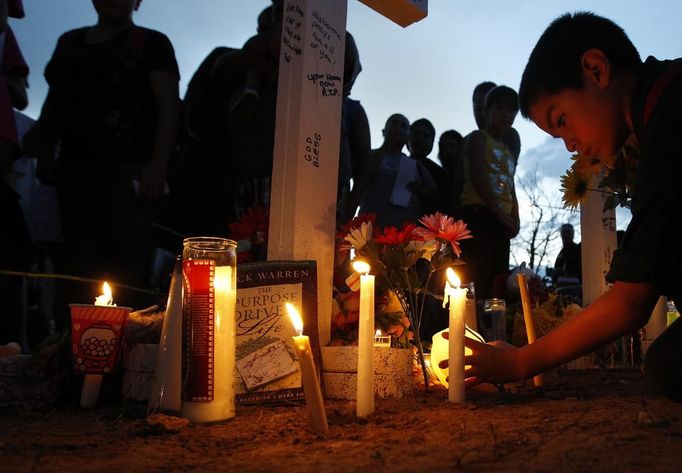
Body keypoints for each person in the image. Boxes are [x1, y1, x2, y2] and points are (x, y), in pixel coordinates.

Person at [457, 12, 682, 401]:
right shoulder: (664, 102)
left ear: (596, 69)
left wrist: (520, 362)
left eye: (562, 119)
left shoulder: (670, 122)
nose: (569, 145)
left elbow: (631, 302)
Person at [36, 0, 180, 319]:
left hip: (130, 175)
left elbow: (169, 106)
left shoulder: (152, 43)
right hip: (74, 172)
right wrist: (44, 153)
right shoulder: (69, 43)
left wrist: (157, 166)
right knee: (77, 270)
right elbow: (54, 103)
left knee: (127, 273)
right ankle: (71, 353)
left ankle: (128, 354)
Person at [458, 85, 520, 303]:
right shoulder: (478, 138)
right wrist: (497, 211)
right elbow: (478, 174)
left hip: (500, 220)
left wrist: (515, 216)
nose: (506, 114)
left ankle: (495, 328)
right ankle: (471, 326)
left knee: (498, 277)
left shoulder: (508, 150)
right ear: (486, 110)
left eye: (511, 110)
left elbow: (510, 185)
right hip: (480, 215)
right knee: (478, 276)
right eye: (500, 108)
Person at [345, 114, 437, 228]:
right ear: (384, 131)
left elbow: (434, 195)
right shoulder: (368, 156)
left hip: (403, 235)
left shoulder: (415, 165)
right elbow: (354, 192)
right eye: (394, 123)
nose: (398, 128)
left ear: (408, 137)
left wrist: (420, 191)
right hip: (371, 230)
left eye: (403, 126)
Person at [408, 118, 446, 215]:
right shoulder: (393, 165)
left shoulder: (440, 173)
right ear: (408, 137)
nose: (420, 138)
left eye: (426, 136)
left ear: (431, 144)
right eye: (416, 133)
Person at [437, 129, 464, 218]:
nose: (448, 151)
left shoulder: (468, 174)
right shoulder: (439, 176)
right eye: (444, 148)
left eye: (452, 146)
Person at [551, 223, 582, 288]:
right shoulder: (561, 253)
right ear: (561, 235)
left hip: (576, 289)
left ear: (573, 234)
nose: (566, 235)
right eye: (564, 232)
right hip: (560, 290)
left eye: (568, 232)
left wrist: (563, 269)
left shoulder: (578, 249)